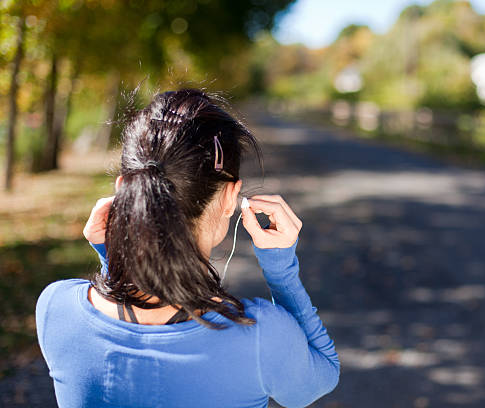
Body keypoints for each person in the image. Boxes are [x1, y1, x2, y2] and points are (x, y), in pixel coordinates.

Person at [35, 88, 340, 407]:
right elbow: (322, 375)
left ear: (124, 189)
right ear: (229, 197)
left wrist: (113, 256)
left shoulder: (56, 309)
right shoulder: (261, 333)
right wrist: (281, 270)